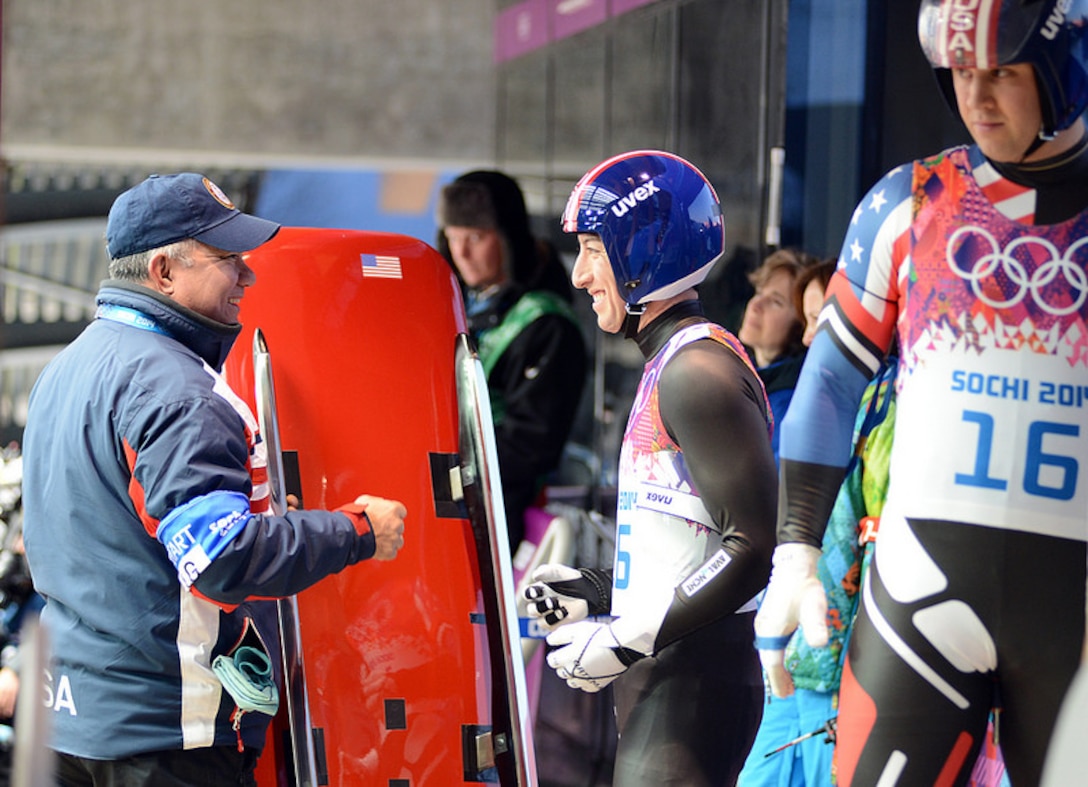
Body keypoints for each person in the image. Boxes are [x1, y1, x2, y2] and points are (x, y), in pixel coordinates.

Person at [754, 2, 1088, 785]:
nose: (978, 97)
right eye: (961, 74)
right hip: (919, 590)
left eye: (1002, 72)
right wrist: (794, 553)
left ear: (1065, 69)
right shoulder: (908, 202)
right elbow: (831, 378)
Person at [20, 173, 407, 786]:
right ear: (164, 272)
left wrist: (265, 520)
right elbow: (219, 561)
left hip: (70, 726)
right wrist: (357, 531)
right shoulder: (179, 391)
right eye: (227, 259)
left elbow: (120, 531)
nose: (248, 276)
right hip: (164, 736)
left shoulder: (67, 369)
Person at [523, 150, 777, 785]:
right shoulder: (673, 363)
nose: (579, 275)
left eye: (591, 249)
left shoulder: (697, 373)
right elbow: (697, 545)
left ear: (644, 250)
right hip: (673, 682)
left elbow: (753, 547)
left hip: (693, 688)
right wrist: (602, 589)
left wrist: (624, 639)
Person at [740, 257, 896, 787]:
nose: (811, 337)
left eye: (818, 317)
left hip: (853, 658)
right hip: (803, 646)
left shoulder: (884, 403)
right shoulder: (838, 406)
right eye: (806, 318)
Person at [436, 170, 588, 550]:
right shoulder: (455, 307)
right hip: (452, 504)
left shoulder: (546, 324)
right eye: (453, 238)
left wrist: (448, 469)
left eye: (476, 237)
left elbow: (531, 445)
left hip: (500, 517)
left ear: (508, 239)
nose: (462, 253)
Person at [737, 248, 816, 464]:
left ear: (802, 325)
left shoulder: (790, 403)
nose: (755, 305)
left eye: (775, 301)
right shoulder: (750, 378)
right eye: (759, 293)